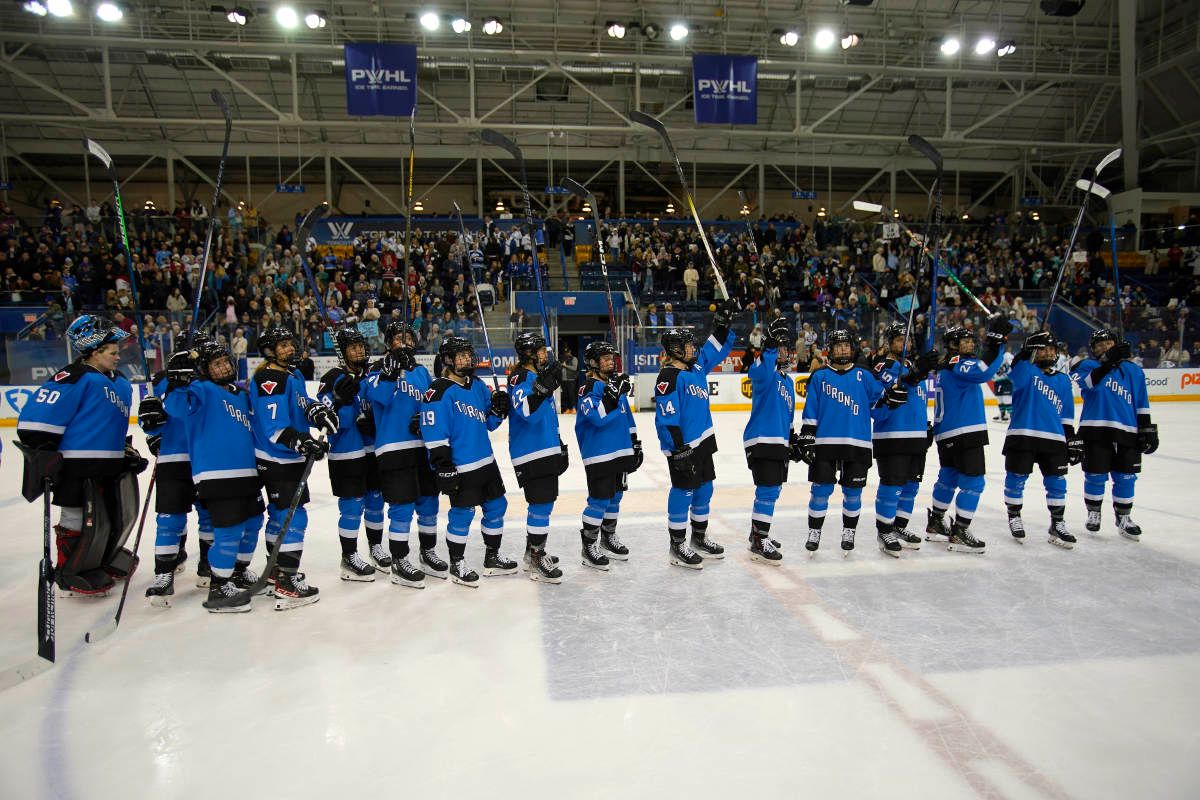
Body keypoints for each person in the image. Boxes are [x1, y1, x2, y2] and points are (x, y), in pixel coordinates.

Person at [16, 314, 147, 596]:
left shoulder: (121, 382)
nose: (117, 355)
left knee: (111, 515)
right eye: (112, 351)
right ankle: (69, 568)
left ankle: (101, 558)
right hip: (77, 464)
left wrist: (125, 450)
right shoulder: (73, 377)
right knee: (78, 514)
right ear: (94, 350)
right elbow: (36, 420)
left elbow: (110, 423)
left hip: (110, 464)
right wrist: (42, 451)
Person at [166, 341, 266, 612]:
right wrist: (175, 381)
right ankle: (219, 587)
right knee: (229, 530)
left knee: (254, 521)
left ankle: (238, 571)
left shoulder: (240, 393)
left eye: (226, 362)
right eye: (216, 364)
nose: (223, 367)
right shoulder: (200, 389)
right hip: (217, 474)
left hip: (247, 471)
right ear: (205, 370)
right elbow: (175, 407)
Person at [249, 326, 337, 609]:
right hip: (276, 458)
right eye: (283, 345)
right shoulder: (268, 378)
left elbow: (299, 405)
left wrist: (316, 411)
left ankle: (276, 571)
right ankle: (286, 580)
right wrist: (301, 442)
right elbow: (273, 425)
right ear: (270, 351)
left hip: (285, 457)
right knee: (292, 518)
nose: (290, 349)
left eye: (291, 343)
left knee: (279, 517)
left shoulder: (293, 375)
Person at [796, 329, 903, 555]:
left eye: (846, 345)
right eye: (839, 345)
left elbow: (878, 410)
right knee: (820, 490)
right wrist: (807, 436)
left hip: (858, 443)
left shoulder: (864, 376)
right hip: (825, 443)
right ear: (831, 349)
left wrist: (889, 402)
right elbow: (811, 411)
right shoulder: (820, 376)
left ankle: (849, 531)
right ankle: (814, 532)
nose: (843, 349)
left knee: (853, 492)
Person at [420, 336, 515, 586]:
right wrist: (443, 466)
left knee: (497, 507)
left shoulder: (478, 385)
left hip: (486, 462)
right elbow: (433, 434)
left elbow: (490, 423)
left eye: (468, 355)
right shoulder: (438, 392)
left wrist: (499, 409)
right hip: (461, 465)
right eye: (460, 356)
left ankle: (492, 558)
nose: (467, 359)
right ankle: (457, 563)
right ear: (448, 360)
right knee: (462, 514)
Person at [654, 299, 738, 569]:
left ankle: (698, 538)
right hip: (683, 446)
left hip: (703, 442)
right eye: (688, 345)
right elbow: (667, 418)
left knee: (705, 489)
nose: (693, 348)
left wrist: (722, 323)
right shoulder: (669, 377)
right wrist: (679, 450)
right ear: (674, 350)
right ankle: (677, 545)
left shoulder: (697, 366)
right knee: (683, 491)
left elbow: (715, 347)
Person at [137, 334, 218, 605]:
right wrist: (151, 431)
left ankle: (207, 565)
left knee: (208, 517)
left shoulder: (212, 377)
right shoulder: (162, 379)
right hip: (173, 457)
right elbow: (152, 421)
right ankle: (164, 573)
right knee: (170, 518)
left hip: (206, 457)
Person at [363, 320, 439, 587]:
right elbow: (379, 397)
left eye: (408, 338)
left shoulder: (421, 372)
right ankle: (399, 560)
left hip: (422, 446)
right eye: (398, 338)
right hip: (393, 447)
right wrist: (390, 373)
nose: (404, 342)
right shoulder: (376, 369)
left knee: (429, 503)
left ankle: (428, 552)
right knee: (402, 507)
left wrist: (424, 418)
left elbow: (430, 403)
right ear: (388, 343)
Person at [927, 316, 1012, 553]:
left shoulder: (947, 364)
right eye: (963, 341)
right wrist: (995, 343)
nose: (969, 345)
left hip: (948, 433)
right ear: (952, 345)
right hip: (964, 431)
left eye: (970, 341)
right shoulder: (958, 363)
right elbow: (984, 372)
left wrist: (996, 342)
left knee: (949, 478)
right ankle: (961, 531)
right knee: (973, 482)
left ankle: (935, 521)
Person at [317, 327, 390, 582]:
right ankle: (349, 557)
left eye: (361, 346)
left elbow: (382, 406)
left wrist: (373, 421)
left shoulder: (373, 376)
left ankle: (375, 547)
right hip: (347, 453)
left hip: (373, 451)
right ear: (343, 352)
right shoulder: (332, 378)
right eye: (353, 347)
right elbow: (331, 423)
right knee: (351, 507)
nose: (359, 350)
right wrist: (342, 400)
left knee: (376, 502)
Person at [1070, 328, 1157, 539]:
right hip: (1094, 429)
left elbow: (1141, 403)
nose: (1102, 347)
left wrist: (1147, 430)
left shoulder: (1133, 371)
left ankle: (1124, 517)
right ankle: (1094, 513)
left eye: (1107, 343)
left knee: (1126, 477)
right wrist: (1109, 361)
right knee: (1095, 475)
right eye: (1098, 345)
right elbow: (1090, 384)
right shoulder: (1086, 366)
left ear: (1115, 344)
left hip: (1127, 430)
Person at [1001, 331, 1079, 548]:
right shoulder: (1027, 371)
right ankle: (1014, 516)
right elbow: (1016, 375)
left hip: (1053, 438)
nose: (1049, 352)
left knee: (1057, 483)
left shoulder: (1063, 380)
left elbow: (1066, 414)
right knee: (1017, 478)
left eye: (1052, 349)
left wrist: (1070, 438)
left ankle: (1057, 523)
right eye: (1043, 348)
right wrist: (1025, 353)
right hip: (1023, 435)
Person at [870, 322, 940, 557]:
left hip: (916, 436)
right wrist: (919, 371)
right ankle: (885, 529)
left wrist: (925, 426)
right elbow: (898, 383)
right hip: (892, 436)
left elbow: (917, 397)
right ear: (889, 343)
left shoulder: (912, 365)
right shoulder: (883, 365)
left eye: (907, 340)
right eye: (900, 339)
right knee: (892, 485)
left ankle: (900, 527)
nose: (905, 344)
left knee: (911, 485)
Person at [506, 332, 568, 583]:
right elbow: (525, 410)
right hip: (531, 452)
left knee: (545, 502)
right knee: (540, 505)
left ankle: (532, 551)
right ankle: (536, 556)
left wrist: (558, 445)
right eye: (541, 350)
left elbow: (548, 417)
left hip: (544, 448)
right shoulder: (520, 377)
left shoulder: (535, 377)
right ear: (529, 353)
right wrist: (544, 386)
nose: (545, 355)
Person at [575, 341, 639, 570]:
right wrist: (612, 394)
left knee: (616, 497)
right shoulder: (588, 388)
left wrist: (635, 443)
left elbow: (626, 417)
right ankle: (589, 545)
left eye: (612, 357)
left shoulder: (615, 385)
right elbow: (596, 418)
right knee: (599, 500)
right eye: (604, 358)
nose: (610, 361)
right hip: (599, 454)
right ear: (592, 362)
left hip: (620, 450)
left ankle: (608, 537)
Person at [741, 316, 796, 564]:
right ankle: (759, 541)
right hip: (762, 439)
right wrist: (770, 346)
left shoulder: (788, 382)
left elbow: (789, 416)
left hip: (778, 442)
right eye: (782, 348)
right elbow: (761, 368)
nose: (786, 352)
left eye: (787, 348)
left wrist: (793, 440)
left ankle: (759, 534)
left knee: (773, 490)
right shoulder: (764, 372)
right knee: (767, 490)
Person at [992, 346, 1015, 421]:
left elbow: (1012, 366)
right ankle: (1002, 414)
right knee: (999, 400)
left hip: (1006, 381)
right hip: (997, 381)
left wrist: (1005, 369)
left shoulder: (1007, 355)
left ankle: (1011, 415)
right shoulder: (995, 356)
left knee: (1006, 399)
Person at [559, 347, 579, 413]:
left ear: (570, 352)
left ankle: (573, 408)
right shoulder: (562, 358)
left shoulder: (574, 358)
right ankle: (568, 409)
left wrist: (565, 366)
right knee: (565, 395)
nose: (566, 353)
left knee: (571, 395)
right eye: (565, 352)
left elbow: (574, 368)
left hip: (571, 379)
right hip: (563, 380)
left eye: (567, 352)